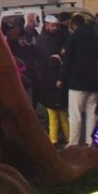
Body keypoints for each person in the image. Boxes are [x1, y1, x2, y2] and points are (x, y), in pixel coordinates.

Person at [62, 13, 98, 145]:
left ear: (73, 24)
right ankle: (91, 143)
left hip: (76, 82)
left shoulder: (73, 37)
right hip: (94, 82)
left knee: (75, 115)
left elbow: (67, 61)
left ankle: (74, 144)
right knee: (91, 114)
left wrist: (62, 78)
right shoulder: (95, 37)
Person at [36, 15, 69, 148]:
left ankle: (55, 139)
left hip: (49, 81)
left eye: (56, 26)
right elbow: (53, 59)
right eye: (53, 25)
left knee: (55, 113)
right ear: (46, 25)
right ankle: (62, 138)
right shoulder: (46, 40)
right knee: (58, 113)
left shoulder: (46, 38)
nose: (55, 28)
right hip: (51, 81)